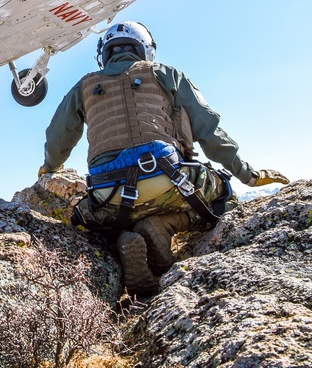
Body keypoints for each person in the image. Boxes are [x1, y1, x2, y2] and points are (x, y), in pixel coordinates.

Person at [39, 21, 289, 295]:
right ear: (146, 50)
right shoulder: (166, 74)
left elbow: (58, 137)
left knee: (91, 218)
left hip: (109, 193)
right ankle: (162, 226)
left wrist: (50, 167)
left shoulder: (83, 87)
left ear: (105, 53)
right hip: (169, 178)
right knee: (224, 194)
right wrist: (248, 175)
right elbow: (209, 130)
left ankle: (122, 241)